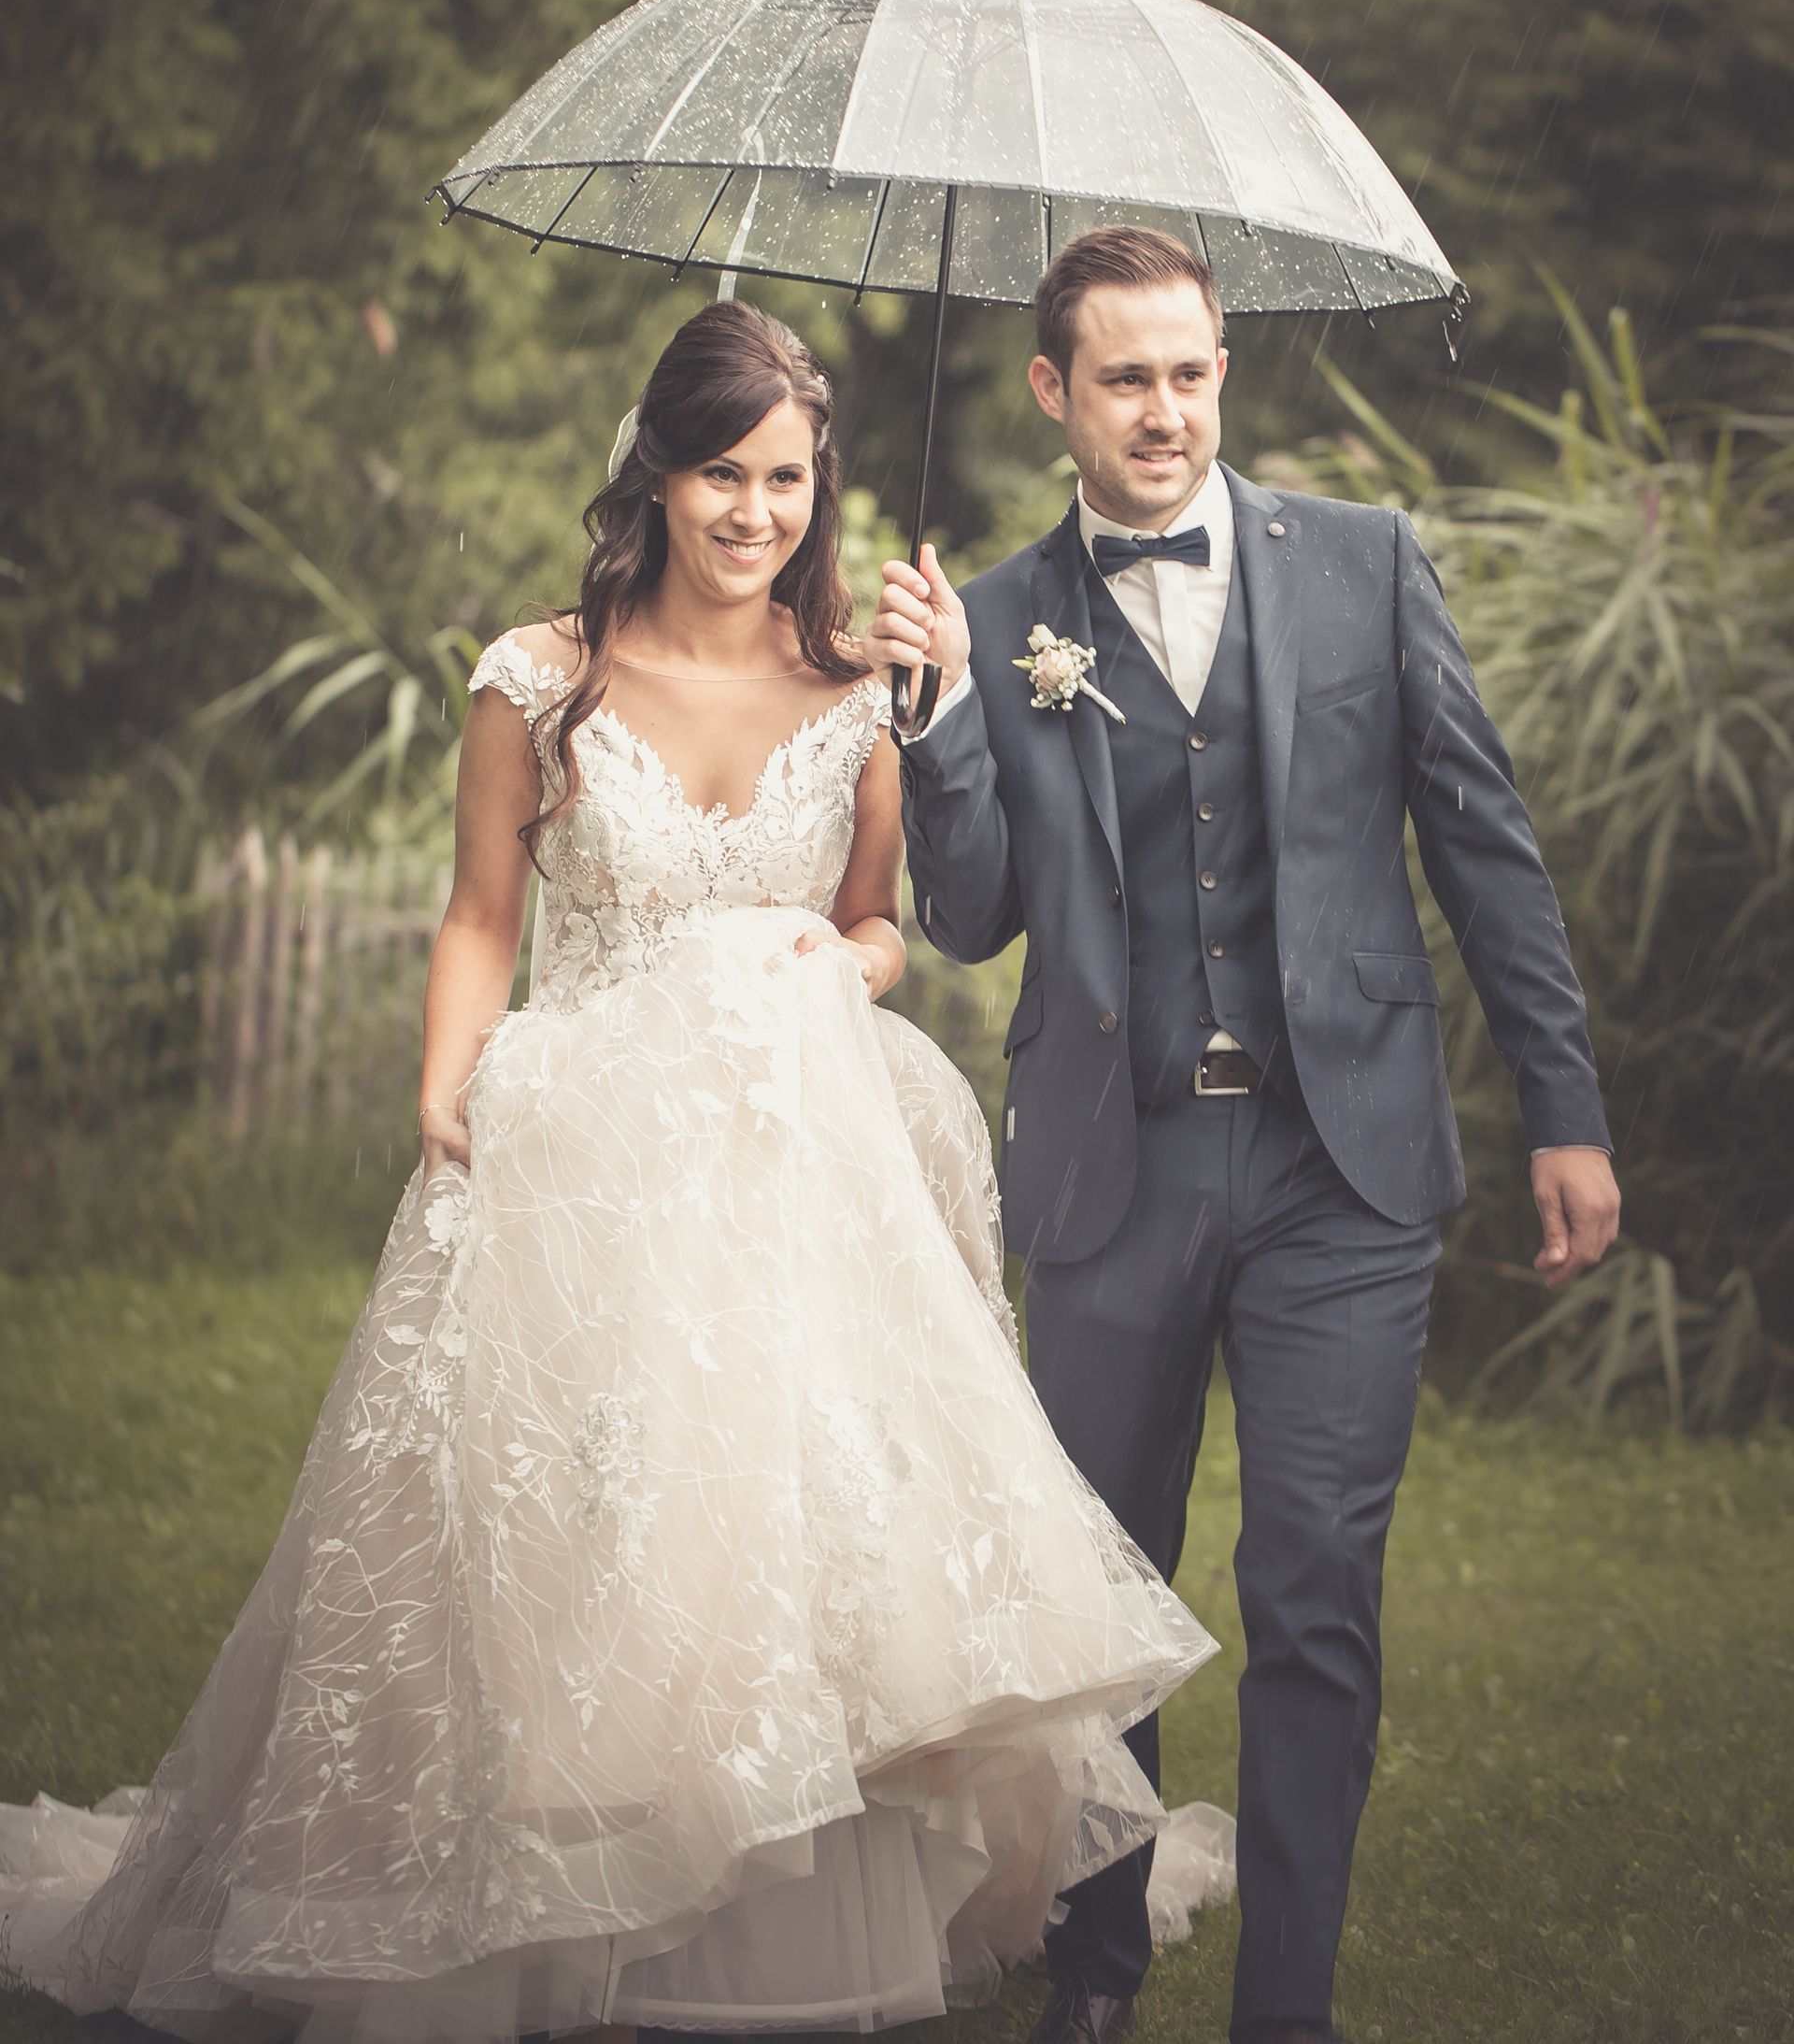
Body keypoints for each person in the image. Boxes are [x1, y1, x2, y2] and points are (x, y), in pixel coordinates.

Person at [0, 299, 1215, 2044]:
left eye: (788, 478)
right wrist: (449, 1091)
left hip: (794, 1166)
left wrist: (840, 967)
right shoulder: (539, 678)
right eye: (724, 472)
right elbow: (482, 914)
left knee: (785, 1528)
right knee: (585, 1524)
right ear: (656, 471)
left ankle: (781, 1913)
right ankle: (541, 1893)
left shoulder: (858, 693)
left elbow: (884, 925)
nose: (756, 514)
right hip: (589, 1157)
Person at [866, 226, 1622, 2044]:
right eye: (1125, 377)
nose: (1167, 411)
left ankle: (1288, 2008)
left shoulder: (1363, 566)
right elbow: (964, 917)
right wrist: (937, 719)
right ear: (1053, 390)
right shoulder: (978, 621)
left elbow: (1482, 845)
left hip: (1335, 1165)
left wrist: (1564, 1108)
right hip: (1107, 1175)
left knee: (1314, 1593)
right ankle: (1100, 1969)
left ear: (1223, 366)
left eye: (1192, 370)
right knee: (1105, 1599)